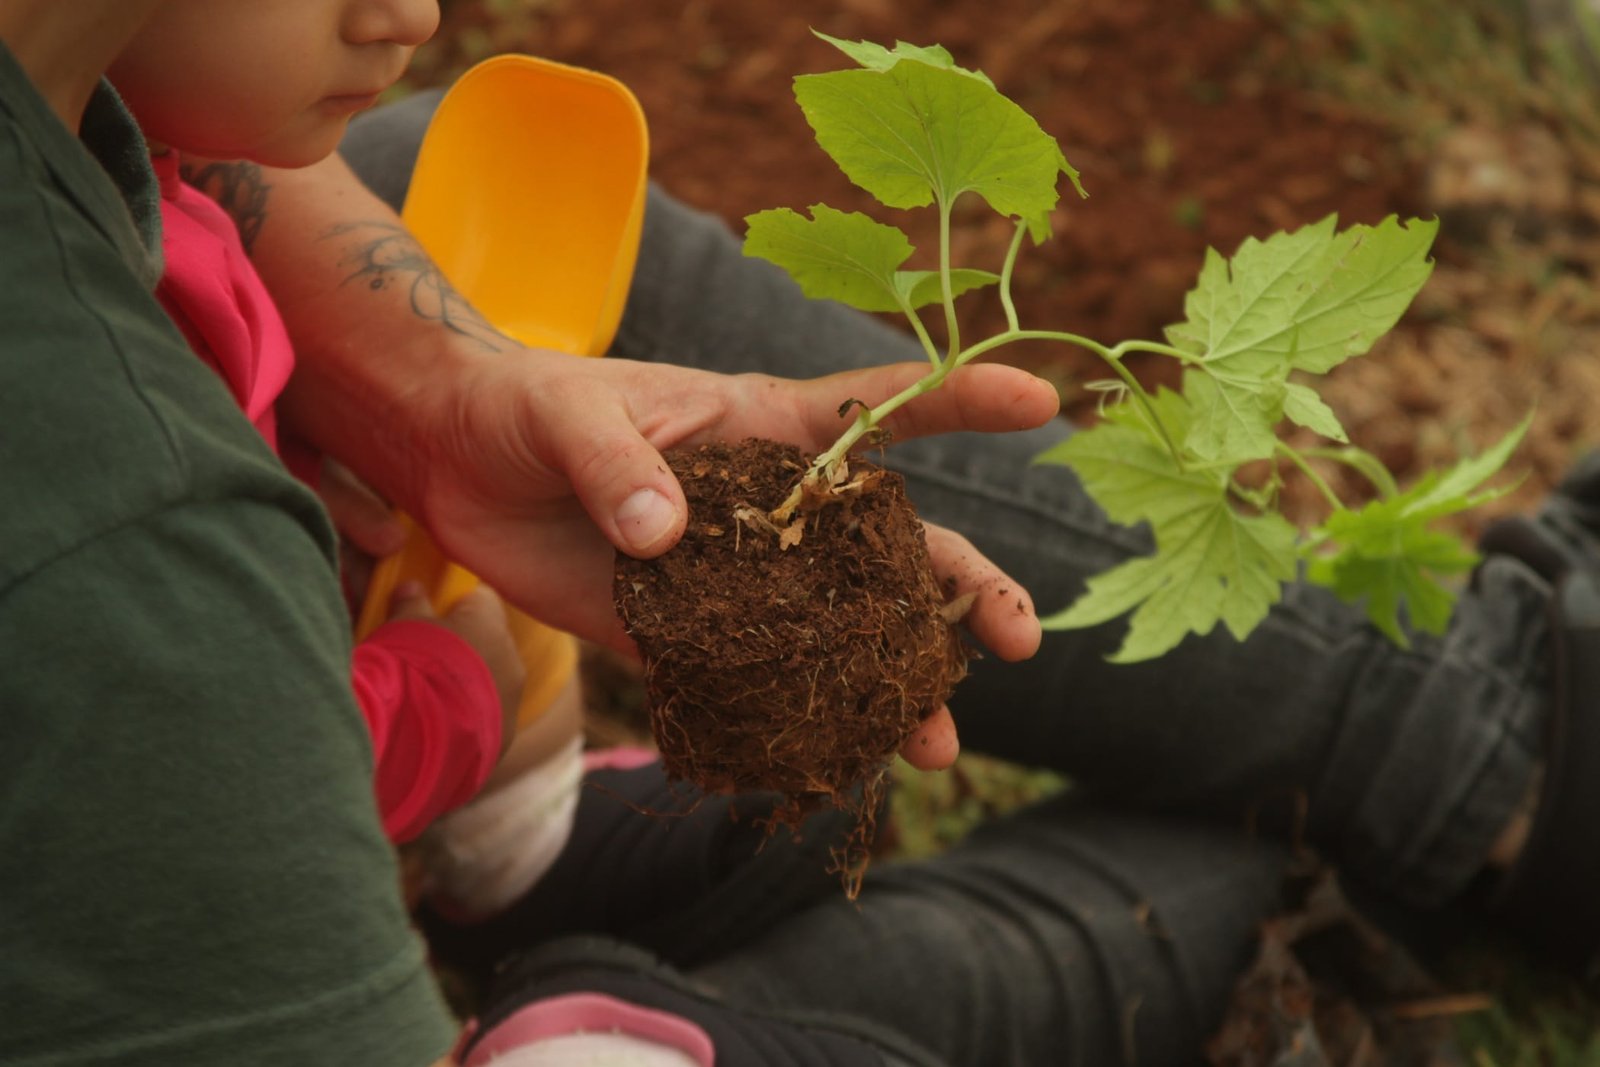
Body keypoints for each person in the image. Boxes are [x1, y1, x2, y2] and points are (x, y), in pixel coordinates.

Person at [0, 5, 1588, 1067]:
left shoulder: (90, 84)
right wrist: (459, 694)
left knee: (468, 189)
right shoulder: (130, 536)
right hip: (290, 733)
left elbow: (211, 165)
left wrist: (447, 387)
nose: (413, 11)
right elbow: (203, 704)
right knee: (1239, 865)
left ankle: (1481, 754)